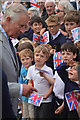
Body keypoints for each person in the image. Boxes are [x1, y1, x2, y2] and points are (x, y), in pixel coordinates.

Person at [0, 3, 37, 116]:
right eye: (20, 26)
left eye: (25, 26)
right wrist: (19, 89)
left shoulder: (8, 39)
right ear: (8, 19)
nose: (23, 31)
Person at [27, 44, 55, 119]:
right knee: (35, 116)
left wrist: (47, 94)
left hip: (46, 99)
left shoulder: (48, 70)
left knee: (43, 116)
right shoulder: (31, 68)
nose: (38, 58)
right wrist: (30, 88)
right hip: (36, 97)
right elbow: (30, 81)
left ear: (46, 59)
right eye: (37, 55)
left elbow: (52, 84)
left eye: (42, 56)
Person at [56, 42, 79, 120]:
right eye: (63, 54)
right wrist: (67, 64)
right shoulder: (67, 78)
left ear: (75, 55)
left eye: (68, 54)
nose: (65, 56)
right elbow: (59, 69)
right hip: (68, 108)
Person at [18, 49, 34, 120]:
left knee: (32, 113)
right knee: (25, 113)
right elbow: (21, 81)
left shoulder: (33, 69)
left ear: (32, 59)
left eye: (27, 59)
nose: (25, 61)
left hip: (32, 96)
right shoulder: (22, 70)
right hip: (24, 96)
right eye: (23, 59)